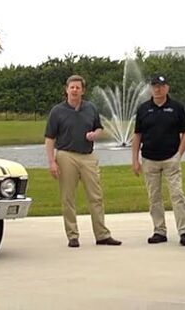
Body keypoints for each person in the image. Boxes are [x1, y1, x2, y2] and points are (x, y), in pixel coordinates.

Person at [44, 74, 122, 248]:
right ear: (66, 89)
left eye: (78, 87)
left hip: (88, 156)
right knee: (68, 197)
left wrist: (96, 134)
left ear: (83, 90)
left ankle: (102, 235)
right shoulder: (57, 111)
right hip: (66, 155)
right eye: (71, 87)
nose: (74, 90)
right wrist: (52, 162)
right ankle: (73, 235)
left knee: (96, 196)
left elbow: (99, 127)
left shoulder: (91, 108)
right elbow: (49, 138)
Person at [132, 75, 185, 246]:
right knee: (154, 197)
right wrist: (135, 160)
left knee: (177, 195)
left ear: (167, 88)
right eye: (155, 86)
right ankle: (159, 231)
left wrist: (179, 155)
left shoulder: (176, 108)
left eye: (161, 86)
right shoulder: (143, 109)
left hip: (170, 158)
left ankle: (184, 231)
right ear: (151, 88)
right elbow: (137, 135)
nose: (158, 89)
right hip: (149, 159)